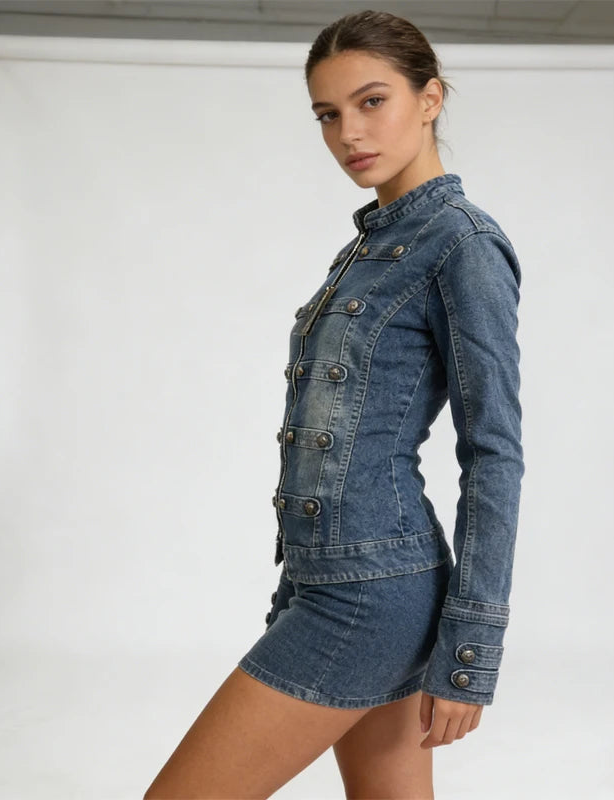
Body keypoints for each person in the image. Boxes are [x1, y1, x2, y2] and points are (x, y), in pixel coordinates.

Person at [144, 9, 524, 799]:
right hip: (335, 580)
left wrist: (470, 650)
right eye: (327, 114)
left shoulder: (462, 245)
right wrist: (293, 589)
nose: (349, 132)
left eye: (372, 101)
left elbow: (494, 453)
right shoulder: (366, 248)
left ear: (430, 99)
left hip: (372, 592)